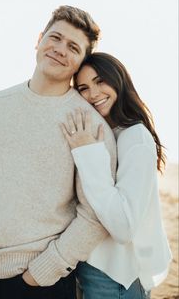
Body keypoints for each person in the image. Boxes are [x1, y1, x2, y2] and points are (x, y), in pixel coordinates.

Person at [0, 7, 117, 299]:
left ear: (81, 61)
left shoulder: (89, 124)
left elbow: (94, 214)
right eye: (55, 37)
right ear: (40, 39)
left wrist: (40, 273)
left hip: (42, 283)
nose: (59, 50)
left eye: (73, 47)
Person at [61, 52, 172, 299]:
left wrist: (86, 152)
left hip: (116, 274)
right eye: (83, 88)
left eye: (101, 81)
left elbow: (123, 227)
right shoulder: (107, 132)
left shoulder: (135, 137)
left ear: (118, 80)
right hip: (89, 264)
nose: (93, 94)